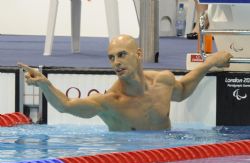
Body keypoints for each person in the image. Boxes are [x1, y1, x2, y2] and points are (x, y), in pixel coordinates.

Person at [18, 34, 232, 131]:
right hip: (127, 158)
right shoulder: (110, 102)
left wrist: (211, 61)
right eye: (111, 58)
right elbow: (66, 106)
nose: (116, 62)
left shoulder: (163, 81)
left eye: (121, 55)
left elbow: (183, 89)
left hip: (169, 156)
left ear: (138, 54)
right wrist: (44, 83)